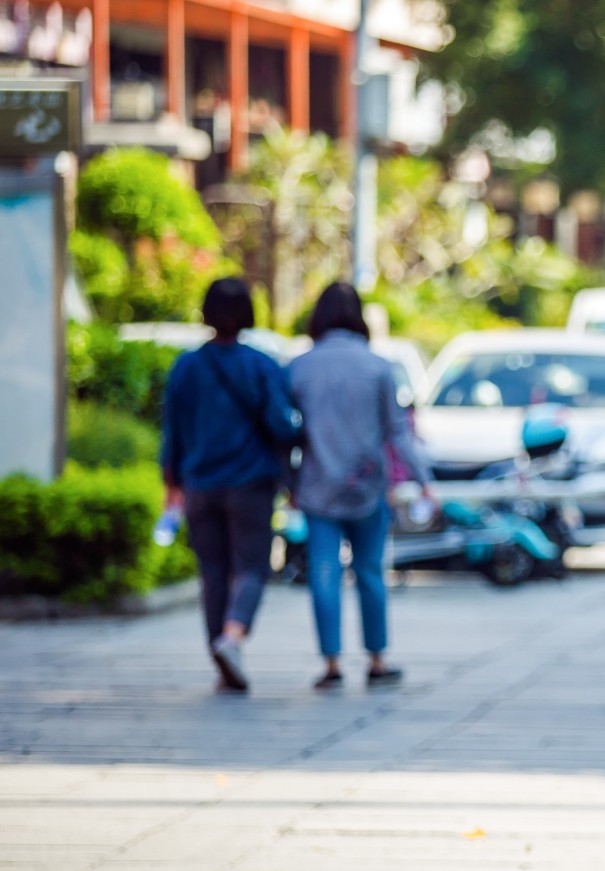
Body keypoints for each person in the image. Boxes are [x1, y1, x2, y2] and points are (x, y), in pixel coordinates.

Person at [285, 282, 432, 690]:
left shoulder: (298, 368)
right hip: (368, 487)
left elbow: (284, 433)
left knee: (324, 572)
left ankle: (331, 663)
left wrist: (288, 481)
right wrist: (424, 482)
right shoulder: (378, 367)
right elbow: (398, 433)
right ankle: (377, 658)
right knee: (369, 571)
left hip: (316, 487)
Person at [159, 277, 298, 694]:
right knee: (251, 566)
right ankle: (232, 638)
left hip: (199, 484)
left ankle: (221, 661)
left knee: (213, 572)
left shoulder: (185, 367)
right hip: (251, 483)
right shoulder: (261, 366)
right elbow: (280, 425)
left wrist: (171, 481)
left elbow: (172, 432)